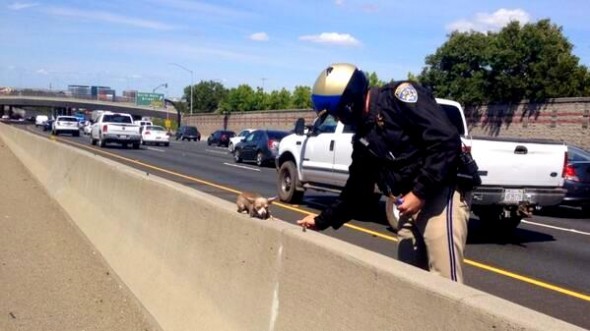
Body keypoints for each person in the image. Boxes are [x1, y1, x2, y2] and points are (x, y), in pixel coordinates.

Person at [297, 63, 471, 283]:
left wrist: (419, 193)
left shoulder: (399, 99)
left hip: (440, 193)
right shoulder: (364, 136)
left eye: (337, 113)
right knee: (409, 279)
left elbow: (446, 141)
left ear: (349, 103)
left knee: (445, 282)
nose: (339, 119)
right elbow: (357, 191)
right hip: (409, 202)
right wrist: (321, 220)